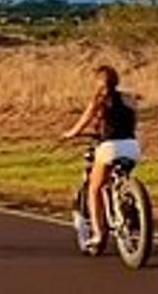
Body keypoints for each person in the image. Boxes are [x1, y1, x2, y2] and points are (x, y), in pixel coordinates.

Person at [59, 65, 139, 255]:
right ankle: (131, 211)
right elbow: (134, 121)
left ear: (98, 82)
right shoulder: (128, 98)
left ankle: (98, 233)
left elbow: (81, 124)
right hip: (132, 146)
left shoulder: (98, 100)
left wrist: (69, 134)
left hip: (109, 147)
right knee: (120, 179)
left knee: (94, 189)